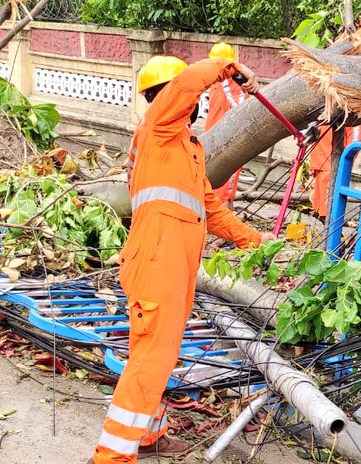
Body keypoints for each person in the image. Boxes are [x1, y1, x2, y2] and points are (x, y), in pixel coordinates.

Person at [92, 55, 274, 463]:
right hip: (158, 261)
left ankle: (148, 435)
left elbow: (212, 208)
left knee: (152, 357)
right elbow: (190, 82)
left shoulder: (184, 150)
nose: (191, 101)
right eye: (181, 96)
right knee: (152, 358)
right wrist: (226, 64)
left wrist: (257, 242)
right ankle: (112, 455)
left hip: (170, 264)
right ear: (171, 98)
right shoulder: (156, 129)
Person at [203, 42, 247, 210]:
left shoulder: (229, 87)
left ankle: (224, 236)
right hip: (218, 145)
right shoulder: (221, 84)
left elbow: (237, 112)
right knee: (222, 193)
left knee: (223, 195)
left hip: (227, 148)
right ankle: (228, 235)